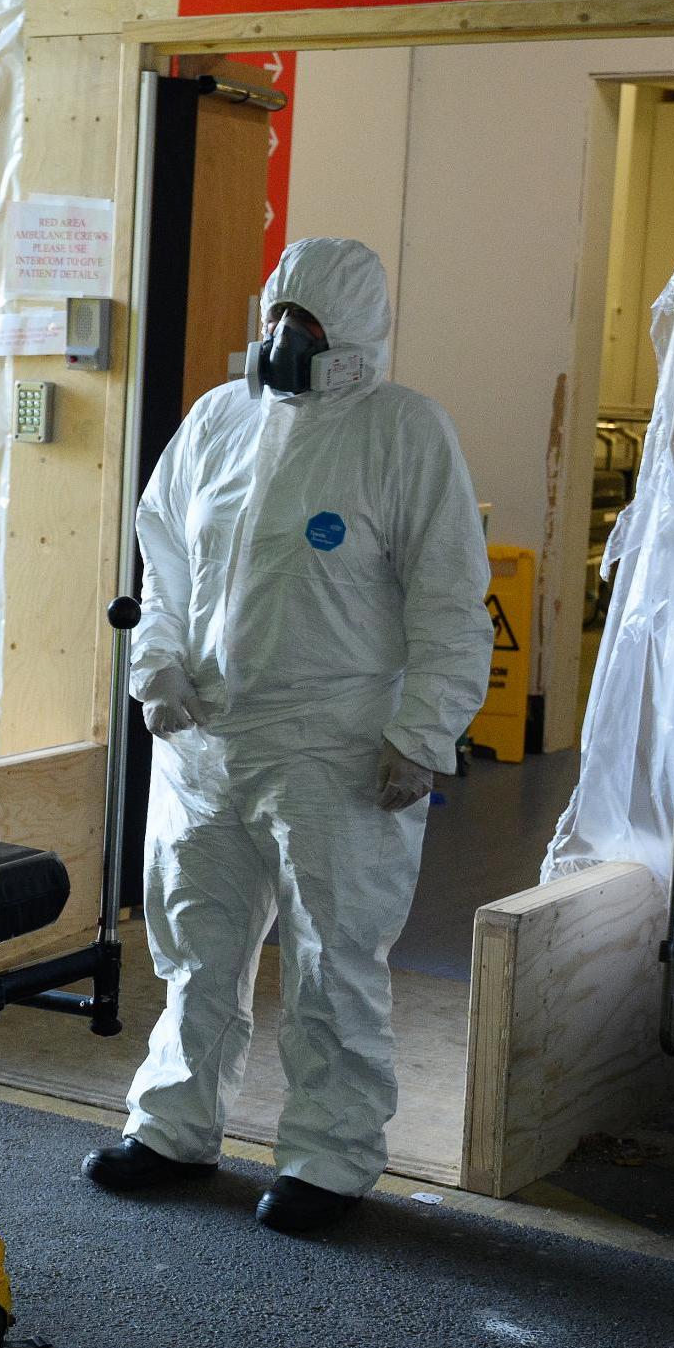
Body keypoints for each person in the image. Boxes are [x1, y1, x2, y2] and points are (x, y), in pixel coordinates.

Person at [81, 236, 493, 1235]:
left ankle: (329, 1154)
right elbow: (163, 556)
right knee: (194, 944)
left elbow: (449, 599)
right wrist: (156, 664)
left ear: (349, 335)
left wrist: (421, 729)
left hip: (337, 747)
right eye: (276, 314)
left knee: (331, 953)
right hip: (206, 740)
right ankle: (173, 1127)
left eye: (304, 324)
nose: (281, 339)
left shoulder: (402, 433)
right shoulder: (217, 420)